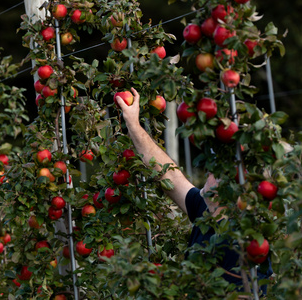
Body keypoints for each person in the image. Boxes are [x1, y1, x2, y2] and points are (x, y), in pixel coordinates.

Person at [115, 88, 272, 295]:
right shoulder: (203, 208)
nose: (208, 171)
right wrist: (133, 124)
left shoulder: (245, 241)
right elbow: (168, 175)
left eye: (216, 168)